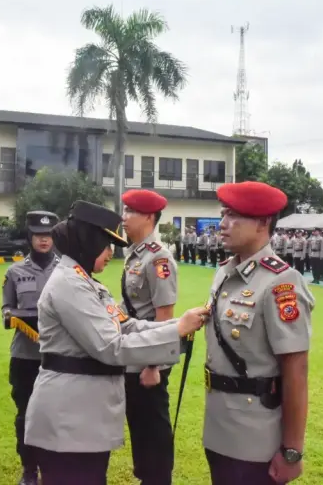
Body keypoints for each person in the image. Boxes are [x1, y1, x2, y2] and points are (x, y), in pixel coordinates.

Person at [23, 200, 207, 485]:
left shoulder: (86, 282)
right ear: (88, 241)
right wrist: (176, 331)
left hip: (83, 416)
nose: (111, 252)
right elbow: (111, 347)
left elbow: (126, 324)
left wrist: (176, 325)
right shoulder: (69, 284)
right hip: (70, 417)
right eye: (106, 243)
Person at [203, 181, 313, 485]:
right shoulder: (225, 272)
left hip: (255, 434)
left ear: (263, 223)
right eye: (223, 214)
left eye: (233, 215)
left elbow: (296, 371)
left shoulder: (281, 283)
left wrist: (292, 450)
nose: (223, 224)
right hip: (219, 424)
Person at [120, 189, 178, 484]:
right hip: (134, 353)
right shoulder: (135, 254)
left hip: (149, 362)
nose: (124, 217)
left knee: (153, 427)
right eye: (125, 210)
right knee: (139, 424)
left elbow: (165, 316)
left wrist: (153, 365)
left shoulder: (158, 259)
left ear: (149, 217)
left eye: (131, 211)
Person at [1, 210, 60, 485]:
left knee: (56, 414)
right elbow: (7, 309)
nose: (44, 240)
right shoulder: (15, 272)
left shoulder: (66, 270)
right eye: (38, 235)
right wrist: (14, 316)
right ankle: (29, 470)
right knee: (25, 415)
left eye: (48, 235)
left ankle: (53, 468)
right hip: (25, 356)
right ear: (29, 237)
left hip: (58, 356)